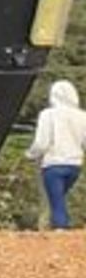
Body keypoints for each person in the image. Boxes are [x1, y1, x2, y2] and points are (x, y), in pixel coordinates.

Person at [27, 80, 86, 229]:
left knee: (56, 201)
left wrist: (30, 154)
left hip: (53, 164)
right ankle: (54, 228)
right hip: (75, 165)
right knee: (59, 199)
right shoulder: (82, 116)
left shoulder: (48, 115)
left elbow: (41, 142)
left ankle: (60, 231)